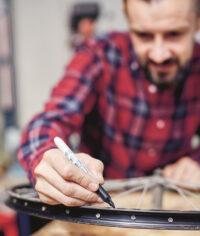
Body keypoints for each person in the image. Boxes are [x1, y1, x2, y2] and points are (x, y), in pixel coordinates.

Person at [18, 0, 200, 207]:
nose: (159, 55)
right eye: (144, 35)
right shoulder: (98, 55)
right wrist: (45, 156)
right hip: (100, 214)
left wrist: (196, 164)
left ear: (197, 21)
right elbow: (50, 119)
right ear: (128, 16)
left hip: (175, 214)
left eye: (174, 34)